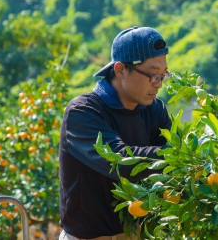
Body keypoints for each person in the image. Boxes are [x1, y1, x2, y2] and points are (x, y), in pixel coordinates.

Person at [59, 27, 173, 240]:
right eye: (152, 75)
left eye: (163, 75)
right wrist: (180, 155)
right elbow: (120, 161)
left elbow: (171, 164)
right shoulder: (83, 112)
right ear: (120, 69)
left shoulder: (155, 109)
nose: (158, 84)